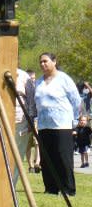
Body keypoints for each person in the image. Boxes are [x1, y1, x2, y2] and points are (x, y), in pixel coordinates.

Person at [35, 53, 81, 195]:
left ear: (54, 61)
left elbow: (76, 101)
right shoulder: (39, 82)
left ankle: (68, 188)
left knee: (62, 157)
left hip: (62, 124)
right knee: (46, 158)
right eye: (41, 62)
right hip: (44, 125)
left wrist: (74, 120)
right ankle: (51, 188)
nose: (43, 64)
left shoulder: (64, 79)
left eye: (45, 61)